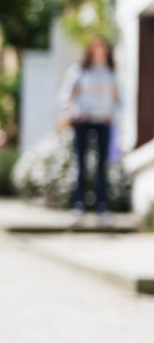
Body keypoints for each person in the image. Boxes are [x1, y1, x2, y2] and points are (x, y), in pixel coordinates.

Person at [62, 36, 120, 227]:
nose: (99, 54)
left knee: (102, 165)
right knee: (81, 164)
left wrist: (111, 114)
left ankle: (101, 207)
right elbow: (67, 96)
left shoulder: (110, 73)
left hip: (103, 121)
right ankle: (78, 205)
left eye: (102, 50)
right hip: (83, 121)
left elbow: (119, 98)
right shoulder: (79, 71)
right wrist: (76, 113)